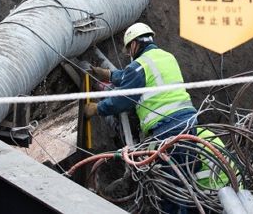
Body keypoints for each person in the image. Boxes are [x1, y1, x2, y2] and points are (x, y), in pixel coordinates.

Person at [84, 22, 198, 213]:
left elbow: (123, 99)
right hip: (188, 124)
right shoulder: (166, 57)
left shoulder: (141, 65)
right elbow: (133, 75)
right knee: (183, 184)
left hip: (167, 129)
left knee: (168, 187)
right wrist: (110, 75)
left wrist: (98, 109)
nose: (129, 53)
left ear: (135, 44)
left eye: (129, 49)